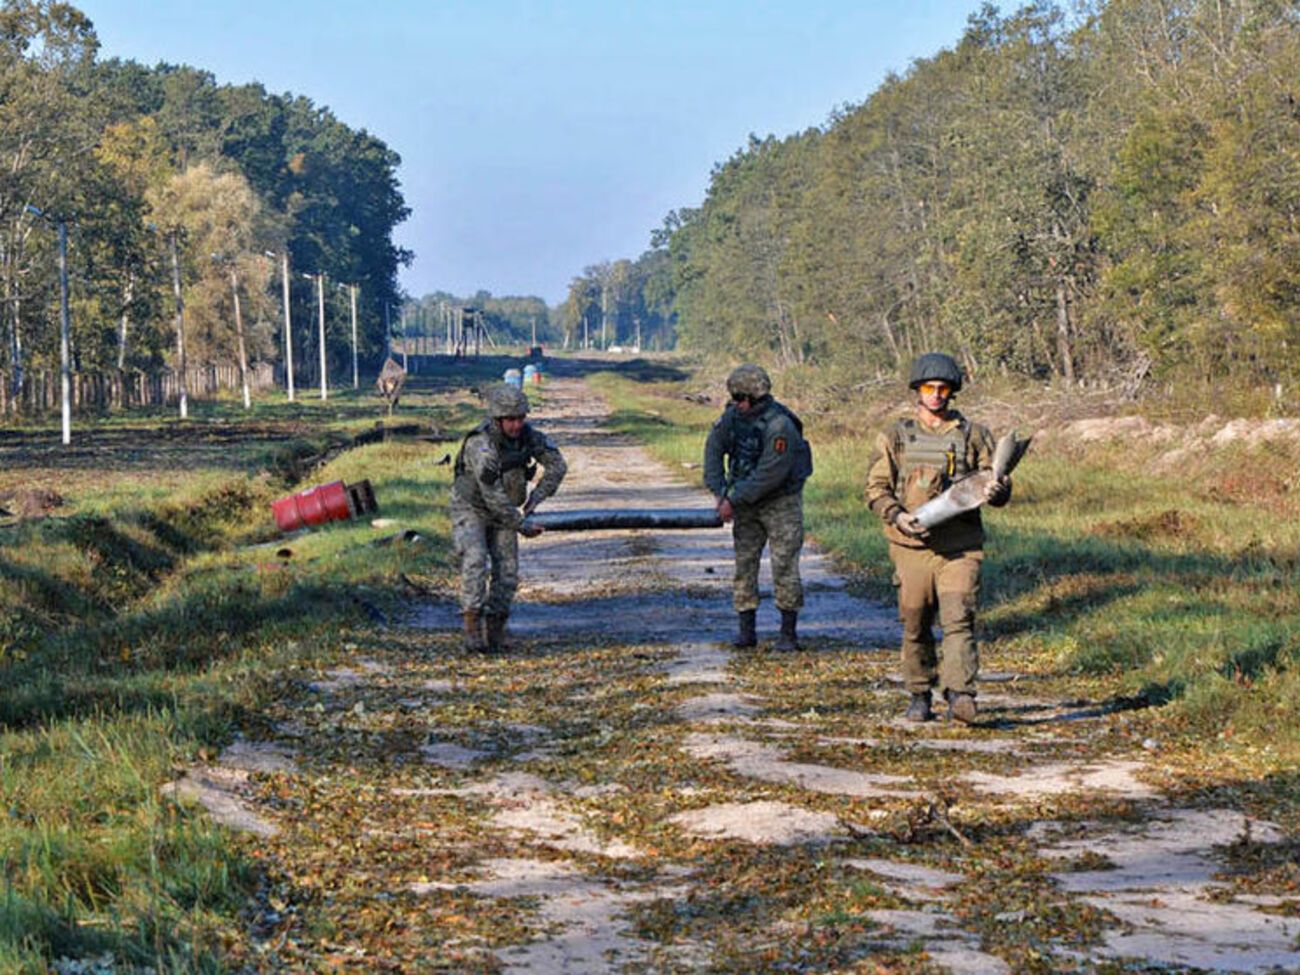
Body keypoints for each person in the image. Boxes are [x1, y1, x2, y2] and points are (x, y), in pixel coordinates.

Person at [864, 353, 1011, 723]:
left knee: (959, 619)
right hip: (910, 547)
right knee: (915, 622)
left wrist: (999, 491)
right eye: (929, 388)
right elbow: (876, 488)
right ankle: (919, 692)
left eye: (943, 388)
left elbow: (997, 482)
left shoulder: (974, 436)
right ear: (918, 390)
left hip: (960, 548)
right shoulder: (895, 436)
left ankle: (961, 695)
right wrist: (897, 516)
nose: (936, 395)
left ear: (952, 392)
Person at [451, 383, 567, 652]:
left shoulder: (529, 437)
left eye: (520, 418)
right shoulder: (480, 444)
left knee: (507, 572)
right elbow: (491, 495)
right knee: (475, 560)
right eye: (510, 420)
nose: (516, 425)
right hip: (472, 508)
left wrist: (535, 498)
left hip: (507, 512)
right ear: (497, 419)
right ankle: (472, 630)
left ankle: (496, 632)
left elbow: (557, 465)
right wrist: (521, 524)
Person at [703, 364, 811, 652]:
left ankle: (788, 634)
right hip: (746, 505)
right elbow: (713, 450)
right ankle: (746, 631)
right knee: (744, 565)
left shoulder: (780, 426)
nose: (736, 404)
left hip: (780, 503)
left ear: (753, 398)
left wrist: (732, 500)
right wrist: (718, 491)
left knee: (785, 567)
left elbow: (769, 474)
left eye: (740, 398)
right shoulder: (732, 419)